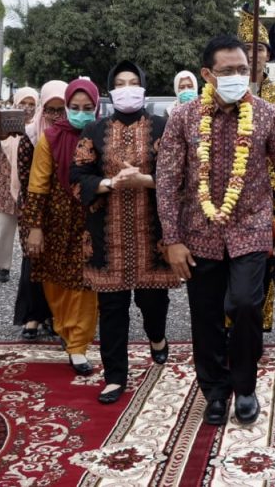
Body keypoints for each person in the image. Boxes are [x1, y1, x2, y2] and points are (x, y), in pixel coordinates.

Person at [157, 35, 275, 426]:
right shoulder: (183, 119)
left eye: (243, 70)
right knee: (204, 315)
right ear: (207, 74)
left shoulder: (267, 114)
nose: (238, 77)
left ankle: (246, 386)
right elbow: (167, 181)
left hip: (251, 229)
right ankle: (216, 391)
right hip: (198, 233)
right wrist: (172, 239)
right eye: (228, 71)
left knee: (245, 304)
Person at [70, 61, 180, 405]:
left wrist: (145, 180)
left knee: (153, 301)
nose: (128, 87)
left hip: (153, 233)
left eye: (134, 82)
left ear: (144, 87)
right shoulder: (94, 132)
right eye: (121, 83)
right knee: (112, 308)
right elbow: (77, 177)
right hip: (107, 235)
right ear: (110, 90)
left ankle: (157, 337)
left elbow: (179, 175)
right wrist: (106, 183)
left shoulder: (164, 127)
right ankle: (115, 376)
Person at [24, 78, 101, 377]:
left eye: (88, 107)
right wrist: (35, 226)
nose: (81, 112)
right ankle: (66, 331)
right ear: (66, 107)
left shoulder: (100, 134)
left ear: (96, 108)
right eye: (75, 107)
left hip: (90, 218)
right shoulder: (51, 137)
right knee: (56, 281)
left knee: (84, 283)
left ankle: (78, 345)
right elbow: (38, 184)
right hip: (55, 220)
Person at [238, 9, 275, 332]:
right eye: (246, 47)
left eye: (259, 48)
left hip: (269, 192)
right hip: (228, 194)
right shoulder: (221, 96)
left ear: (268, 55)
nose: (252, 54)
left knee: (265, 261)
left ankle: (257, 327)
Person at [14, 80, 65, 340]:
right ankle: (33, 317)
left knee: (59, 264)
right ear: (42, 109)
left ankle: (57, 316)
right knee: (34, 261)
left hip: (65, 211)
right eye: (50, 110)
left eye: (61, 110)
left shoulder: (75, 134)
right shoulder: (30, 136)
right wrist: (34, 219)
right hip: (34, 209)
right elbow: (25, 181)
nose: (55, 116)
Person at [0, 86, 38, 284]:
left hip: (30, 190)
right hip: (2, 188)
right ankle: (2, 267)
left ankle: (31, 267)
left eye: (32, 104)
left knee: (31, 231)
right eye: (23, 103)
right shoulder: (2, 127)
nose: (27, 108)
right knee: (3, 231)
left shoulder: (40, 130)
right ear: (15, 103)